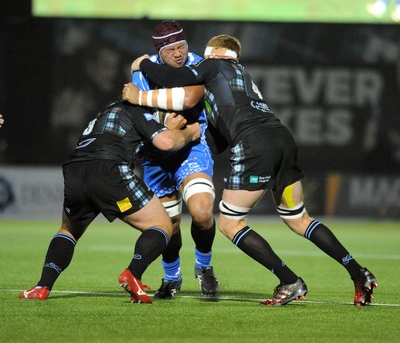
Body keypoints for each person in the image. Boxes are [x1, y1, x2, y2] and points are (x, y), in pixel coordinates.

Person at [123, 35, 378, 306]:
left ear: (213, 53)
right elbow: (217, 139)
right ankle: (358, 272)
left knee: (230, 223)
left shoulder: (212, 66)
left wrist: (142, 66)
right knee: (298, 219)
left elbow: (174, 80)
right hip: (282, 138)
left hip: (255, 143)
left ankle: (289, 281)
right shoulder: (239, 76)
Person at [19, 99, 200, 303]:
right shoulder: (138, 109)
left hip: (76, 170)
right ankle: (134, 273)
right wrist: (189, 133)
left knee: (68, 230)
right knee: (162, 225)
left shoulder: (107, 110)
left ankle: (42, 287)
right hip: (108, 169)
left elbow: (133, 145)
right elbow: (167, 142)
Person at [131, 20, 219, 299]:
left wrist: (156, 108)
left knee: (203, 213)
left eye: (182, 46)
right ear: (160, 52)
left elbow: (192, 98)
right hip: (156, 156)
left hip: (192, 146)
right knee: (168, 226)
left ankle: (204, 268)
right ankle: (172, 277)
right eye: (172, 50)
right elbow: (136, 110)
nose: (179, 53)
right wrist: (161, 122)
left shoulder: (198, 64)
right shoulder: (142, 75)